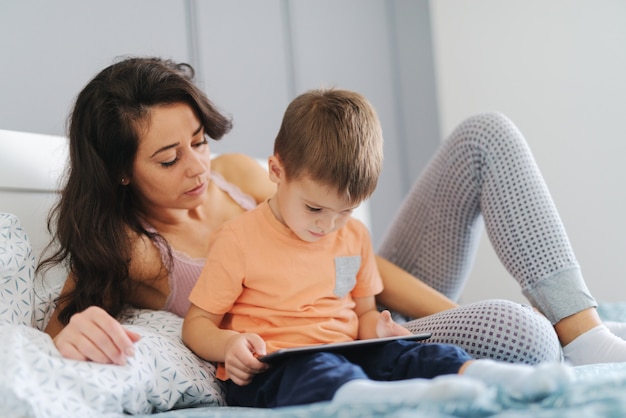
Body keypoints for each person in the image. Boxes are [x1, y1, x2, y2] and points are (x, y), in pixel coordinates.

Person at [37, 56, 626, 368]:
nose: (196, 167)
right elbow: (61, 320)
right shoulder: (133, 247)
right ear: (119, 170)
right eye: (168, 159)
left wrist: (453, 319)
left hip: (369, 303)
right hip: (329, 346)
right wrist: (71, 330)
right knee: (519, 334)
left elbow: (352, 255)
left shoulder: (240, 175)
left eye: (198, 140)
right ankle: (551, 336)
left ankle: (583, 330)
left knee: (484, 135)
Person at [181, 88, 572, 407]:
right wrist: (231, 345)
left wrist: (379, 329)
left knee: (411, 354)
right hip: (275, 368)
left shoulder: (353, 237)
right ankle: (385, 401)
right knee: (319, 371)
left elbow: (363, 312)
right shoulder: (238, 239)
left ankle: (487, 378)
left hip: (348, 349)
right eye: (315, 208)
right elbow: (196, 326)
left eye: (346, 211)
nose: (328, 225)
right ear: (276, 171)